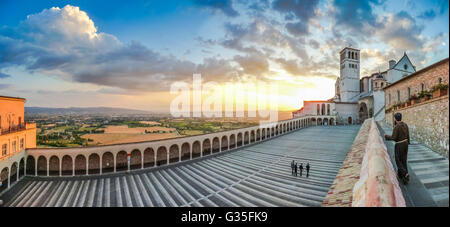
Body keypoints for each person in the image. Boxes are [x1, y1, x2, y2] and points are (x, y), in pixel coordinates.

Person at [385, 112, 410, 185]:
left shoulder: (397, 126)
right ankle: (401, 176)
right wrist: (408, 143)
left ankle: (405, 173)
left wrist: (386, 136)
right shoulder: (405, 125)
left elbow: (394, 137)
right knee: (404, 160)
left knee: (398, 160)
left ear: (395, 119)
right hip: (405, 144)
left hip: (399, 145)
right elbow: (408, 135)